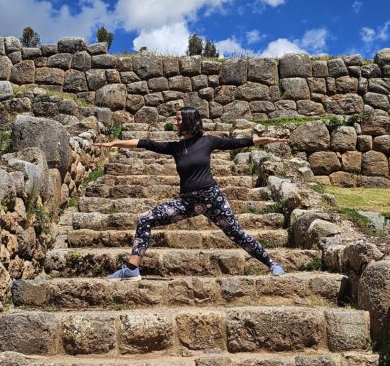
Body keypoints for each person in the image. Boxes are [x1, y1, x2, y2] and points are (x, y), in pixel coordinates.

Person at [92, 107, 290, 280]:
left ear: (189, 120)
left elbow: (240, 142)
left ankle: (272, 264)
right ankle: (131, 269)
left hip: (213, 200)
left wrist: (268, 140)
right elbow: (145, 143)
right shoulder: (176, 147)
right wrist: (115, 143)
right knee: (145, 219)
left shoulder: (208, 142)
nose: (175, 122)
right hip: (186, 203)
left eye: (178, 119)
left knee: (237, 234)